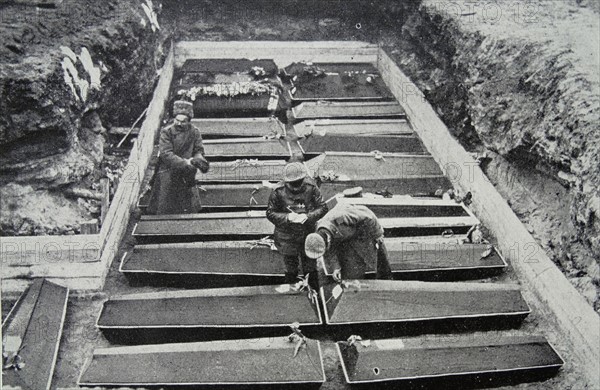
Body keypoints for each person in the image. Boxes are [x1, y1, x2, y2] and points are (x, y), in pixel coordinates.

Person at [266, 162, 328, 288]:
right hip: (286, 236)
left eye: (298, 182)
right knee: (290, 270)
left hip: (307, 233)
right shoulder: (278, 191)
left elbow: (322, 207)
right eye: (292, 183)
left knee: (311, 269)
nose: (295, 187)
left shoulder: (311, 187)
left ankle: (314, 295)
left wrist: (308, 216)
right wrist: (288, 217)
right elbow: (270, 213)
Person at [148, 100, 209, 215]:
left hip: (186, 173)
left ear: (189, 121)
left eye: (183, 121)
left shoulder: (194, 132)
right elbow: (166, 153)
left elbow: (199, 150)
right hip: (168, 171)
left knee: (187, 208)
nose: (179, 124)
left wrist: (196, 160)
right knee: (165, 207)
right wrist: (185, 163)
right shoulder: (167, 132)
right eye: (177, 120)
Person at [304, 202, 393, 281]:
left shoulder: (340, 217)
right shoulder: (319, 235)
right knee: (351, 275)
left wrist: (377, 234)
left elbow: (368, 215)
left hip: (364, 232)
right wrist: (336, 268)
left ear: (328, 239)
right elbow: (328, 251)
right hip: (347, 240)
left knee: (381, 262)